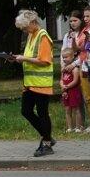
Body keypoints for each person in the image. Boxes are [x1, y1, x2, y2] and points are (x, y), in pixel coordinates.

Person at [8, 9, 55, 156]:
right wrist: (17, 59)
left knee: (42, 113)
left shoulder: (43, 36)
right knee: (26, 111)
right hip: (30, 83)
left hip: (41, 83)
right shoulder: (31, 35)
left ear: (33, 22)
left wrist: (24, 59)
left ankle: (47, 144)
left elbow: (44, 61)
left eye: (24, 27)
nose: (23, 30)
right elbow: (30, 56)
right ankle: (47, 136)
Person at [59, 47, 83, 132]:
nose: (64, 59)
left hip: (73, 91)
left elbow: (76, 80)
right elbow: (61, 79)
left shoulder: (74, 68)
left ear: (72, 56)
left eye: (66, 57)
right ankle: (69, 127)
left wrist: (67, 86)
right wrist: (62, 86)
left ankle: (78, 127)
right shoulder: (63, 69)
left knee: (76, 109)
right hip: (66, 91)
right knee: (67, 109)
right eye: (63, 57)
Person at [80, 6, 90, 134]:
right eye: (84, 16)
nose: (86, 19)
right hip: (87, 64)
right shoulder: (87, 30)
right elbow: (80, 48)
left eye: (88, 16)